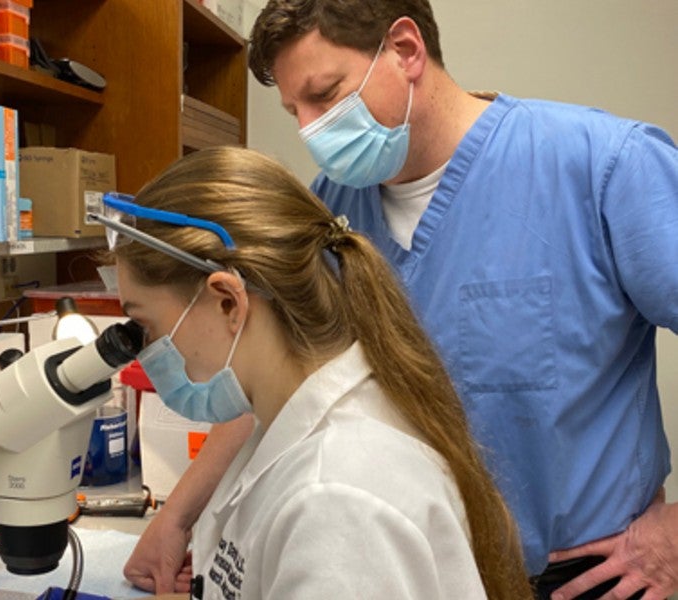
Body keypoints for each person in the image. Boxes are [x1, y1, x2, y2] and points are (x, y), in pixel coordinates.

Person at [125, 1, 678, 599]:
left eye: (325, 95)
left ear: (406, 50)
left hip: (585, 580)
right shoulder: (334, 205)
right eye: (294, 111)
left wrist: (675, 534)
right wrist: (176, 518)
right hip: (405, 570)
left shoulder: (602, 168)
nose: (311, 131)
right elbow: (272, 375)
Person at [97, 146, 532, 599]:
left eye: (146, 326)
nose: (143, 353)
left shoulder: (338, 499)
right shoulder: (280, 418)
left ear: (228, 300)